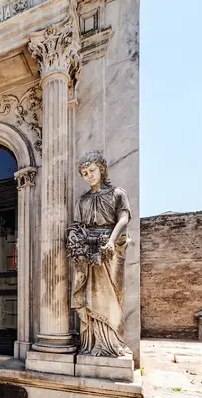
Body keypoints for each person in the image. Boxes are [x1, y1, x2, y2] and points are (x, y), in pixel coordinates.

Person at [66, 150, 131, 357]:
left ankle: (113, 344)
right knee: (89, 296)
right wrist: (74, 240)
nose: (89, 176)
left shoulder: (117, 194)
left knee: (112, 296)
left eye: (92, 170)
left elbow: (124, 219)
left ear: (101, 169)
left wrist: (111, 242)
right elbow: (76, 225)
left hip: (110, 249)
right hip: (88, 249)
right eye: (84, 173)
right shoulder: (82, 200)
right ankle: (92, 343)